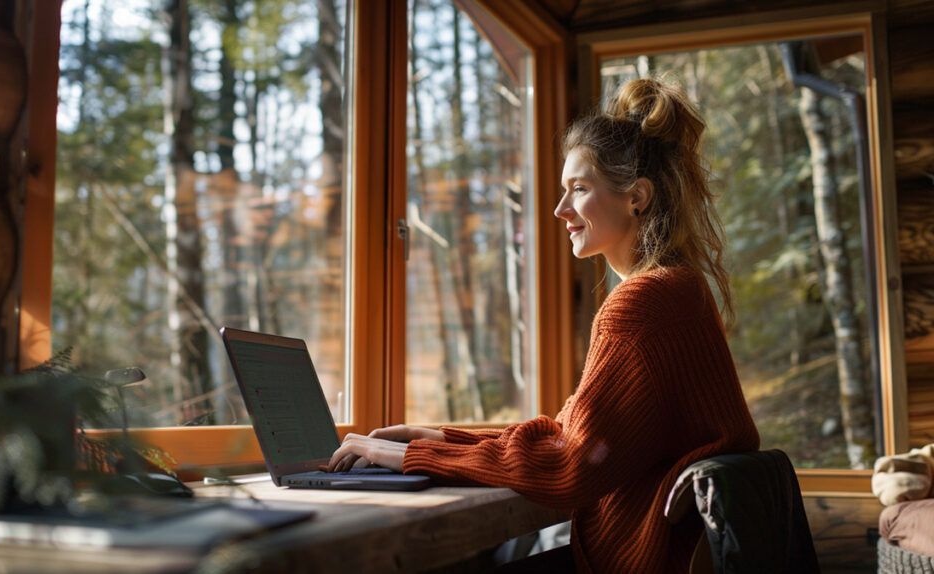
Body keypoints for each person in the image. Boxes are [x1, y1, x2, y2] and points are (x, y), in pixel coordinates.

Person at [324, 77, 761, 573]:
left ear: (636, 197)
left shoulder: (642, 303)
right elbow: (575, 439)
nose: (560, 210)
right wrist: (437, 439)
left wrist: (408, 458)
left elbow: (572, 467)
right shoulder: (680, 289)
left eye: (579, 189)